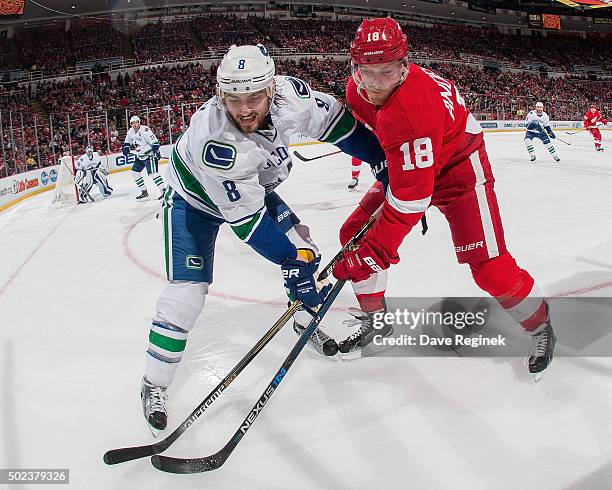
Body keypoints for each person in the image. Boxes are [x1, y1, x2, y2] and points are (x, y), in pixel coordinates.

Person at [140, 44, 386, 432]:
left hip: (250, 189)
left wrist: (380, 158)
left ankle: (303, 323)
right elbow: (248, 224)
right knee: (188, 292)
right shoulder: (216, 142)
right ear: (221, 95)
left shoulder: (292, 95)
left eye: (254, 96)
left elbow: (339, 126)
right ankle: (154, 382)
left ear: (272, 87)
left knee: (307, 252)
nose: (245, 108)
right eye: (234, 99)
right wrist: (289, 264)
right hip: (193, 202)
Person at [331, 17, 556, 376]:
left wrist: (373, 253)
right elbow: (390, 151)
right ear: (354, 68)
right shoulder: (356, 90)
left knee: (490, 269)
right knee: (353, 235)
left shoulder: (413, 110)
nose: (375, 85)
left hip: (460, 172)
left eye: (387, 72)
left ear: (405, 65)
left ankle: (541, 326)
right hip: (416, 163)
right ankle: (377, 323)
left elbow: (410, 199)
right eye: (366, 72)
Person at [123, 115, 166, 200]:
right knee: (135, 173)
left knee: (153, 174)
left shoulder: (145, 130)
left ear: (139, 122)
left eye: (136, 122)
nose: (134, 125)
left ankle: (164, 191)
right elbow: (127, 142)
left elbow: (155, 142)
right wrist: (126, 148)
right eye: (132, 123)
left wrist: (156, 151)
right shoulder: (130, 131)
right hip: (140, 156)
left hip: (149, 156)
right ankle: (144, 192)